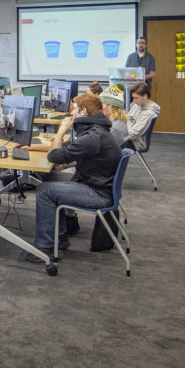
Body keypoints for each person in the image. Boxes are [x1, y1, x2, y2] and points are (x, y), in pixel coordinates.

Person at [31, 94, 122, 255]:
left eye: (74, 110)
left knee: (45, 190)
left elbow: (54, 156)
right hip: (97, 184)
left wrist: (62, 129)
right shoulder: (97, 130)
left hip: (97, 193)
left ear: (84, 112)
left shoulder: (91, 137)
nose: (71, 114)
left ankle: (45, 247)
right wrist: (31, 148)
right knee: (49, 176)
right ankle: (61, 235)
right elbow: (64, 148)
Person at [127, 82, 160, 151]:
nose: (134, 101)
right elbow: (126, 120)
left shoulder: (149, 113)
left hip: (136, 143)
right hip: (127, 136)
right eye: (133, 98)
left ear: (145, 96)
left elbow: (133, 134)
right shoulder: (137, 105)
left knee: (108, 144)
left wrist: (119, 133)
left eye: (136, 98)